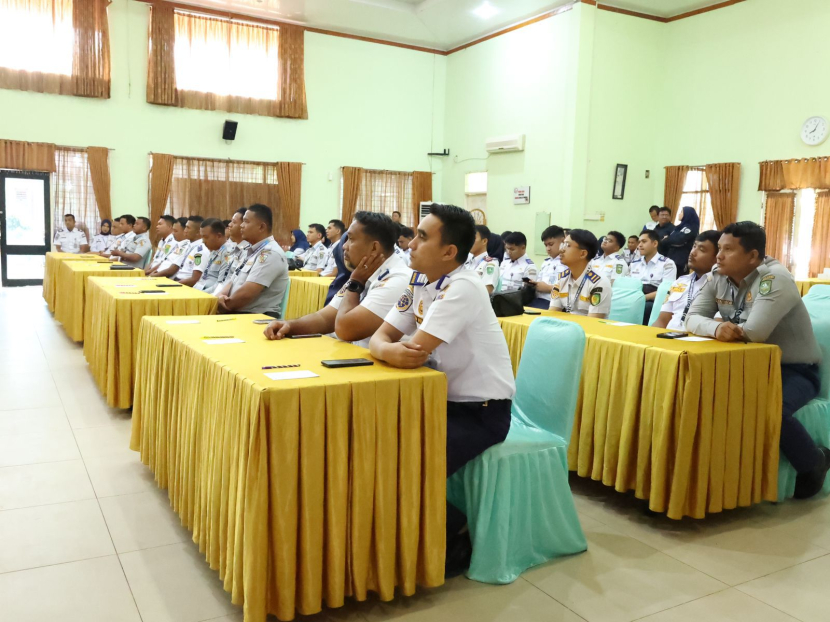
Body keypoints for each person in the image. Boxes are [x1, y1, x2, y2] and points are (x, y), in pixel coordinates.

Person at [368, 203, 515, 576]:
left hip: (481, 411)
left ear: (449, 252)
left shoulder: (463, 286)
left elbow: (413, 352)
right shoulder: (419, 280)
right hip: (441, 402)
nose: (410, 244)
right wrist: (386, 349)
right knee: (373, 444)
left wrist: (389, 349)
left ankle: (454, 531)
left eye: (421, 236)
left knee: (405, 461)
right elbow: (381, 338)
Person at [685, 222, 830, 499]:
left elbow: (754, 333)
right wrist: (716, 328)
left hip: (792, 369)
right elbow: (691, 318)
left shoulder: (774, 279)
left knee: (768, 408)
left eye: (728, 250)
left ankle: (814, 462)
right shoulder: (718, 276)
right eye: (719, 249)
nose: (718, 256)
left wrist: (718, 325)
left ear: (752, 256)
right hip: (742, 364)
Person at [264, 212, 411, 347]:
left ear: (374, 248)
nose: (344, 247)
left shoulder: (397, 279)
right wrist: (289, 326)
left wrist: (355, 284)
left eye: (351, 240)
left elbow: (346, 330)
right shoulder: (363, 272)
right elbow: (324, 318)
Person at [215, 204, 288, 317]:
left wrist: (222, 307)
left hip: (255, 316)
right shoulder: (250, 250)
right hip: (237, 312)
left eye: (246, 222)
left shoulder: (270, 253)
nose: (241, 226)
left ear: (261, 227)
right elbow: (232, 281)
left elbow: (247, 294)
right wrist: (220, 296)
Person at [653, 230, 719, 330]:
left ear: (717, 258)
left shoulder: (720, 285)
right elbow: (662, 321)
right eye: (694, 246)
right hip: (667, 339)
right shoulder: (681, 282)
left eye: (701, 249)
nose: (692, 253)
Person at [549, 229, 612, 318]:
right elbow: (552, 314)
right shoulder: (562, 278)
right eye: (562, 244)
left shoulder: (599, 283)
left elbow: (593, 323)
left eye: (567, 245)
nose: (561, 250)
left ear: (582, 254)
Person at [630, 230, 678, 323]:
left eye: (644, 242)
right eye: (639, 242)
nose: (639, 245)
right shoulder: (634, 264)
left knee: (645, 307)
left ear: (655, 243)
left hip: (653, 300)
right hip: (634, 297)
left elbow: (667, 291)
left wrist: (642, 298)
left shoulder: (667, 263)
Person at [528, 225, 566, 309]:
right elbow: (540, 281)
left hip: (554, 303)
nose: (548, 248)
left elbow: (570, 289)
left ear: (563, 241)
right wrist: (534, 284)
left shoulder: (568, 262)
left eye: (551, 244)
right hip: (538, 300)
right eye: (546, 245)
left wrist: (549, 288)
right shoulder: (546, 262)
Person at [215, 208, 250, 288]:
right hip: (221, 289)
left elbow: (237, 284)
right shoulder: (235, 248)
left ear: (243, 225)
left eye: (234, 222)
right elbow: (222, 281)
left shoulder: (248, 251)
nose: (229, 225)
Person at [194, 218, 228, 292]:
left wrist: (199, 294)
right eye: (202, 237)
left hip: (210, 294)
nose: (203, 241)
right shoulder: (214, 249)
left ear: (218, 236)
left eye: (205, 237)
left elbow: (220, 285)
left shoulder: (228, 254)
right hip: (201, 289)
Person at [464, 224, 500, 294]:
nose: (469, 242)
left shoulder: (490, 264)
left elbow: (487, 291)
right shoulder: (467, 261)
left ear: (484, 241)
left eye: (473, 238)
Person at [664, 206, 700, 274]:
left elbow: (678, 240)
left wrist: (667, 239)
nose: (679, 214)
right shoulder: (680, 227)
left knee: (679, 282)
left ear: (687, 214)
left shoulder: (690, 228)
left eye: (681, 212)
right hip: (672, 258)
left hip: (680, 261)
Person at [175, 216, 206, 286]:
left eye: (188, 228)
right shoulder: (188, 245)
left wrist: (175, 285)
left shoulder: (201, 250)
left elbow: (195, 279)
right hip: (178, 280)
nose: (185, 230)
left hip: (185, 285)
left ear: (198, 232)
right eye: (185, 227)